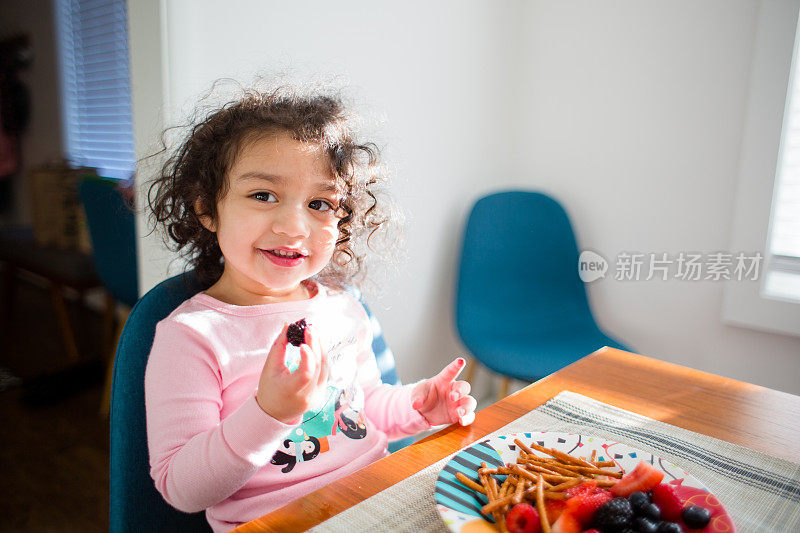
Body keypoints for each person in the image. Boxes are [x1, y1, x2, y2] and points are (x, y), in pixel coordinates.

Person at [144, 84, 477, 532]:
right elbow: (181, 489)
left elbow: (361, 411)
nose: (294, 227)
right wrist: (269, 413)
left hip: (377, 504)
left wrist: (418, 406)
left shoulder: (341, 308)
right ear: (207, 207)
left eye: (319, 204)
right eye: (263, 195)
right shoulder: (193, 336)